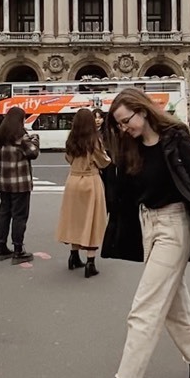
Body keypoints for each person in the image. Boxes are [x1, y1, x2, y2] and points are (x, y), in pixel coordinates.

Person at [76, 88, 190, 378]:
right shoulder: (129, 146)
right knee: (174, 305)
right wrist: (110, 134)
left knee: (145, 307)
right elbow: (124, 188)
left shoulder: (174, 137)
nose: (123, 129)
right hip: (149, 225)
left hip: (175, 225)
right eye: (117, 124)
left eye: (125, 121)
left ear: (142, 111)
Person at [55, 108, 111, 278]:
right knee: (92, 220)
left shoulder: (71, 139)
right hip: (90, 180)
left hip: (73, 180)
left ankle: (73, 256)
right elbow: (103, 161)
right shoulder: (94, 140)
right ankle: (90, 262)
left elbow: (68, 158)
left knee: (75, 219)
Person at [0, 106, 40, 264]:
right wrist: (35, 139)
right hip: (20, 183)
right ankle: (18, 250)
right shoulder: (21, 137)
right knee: (19, 215)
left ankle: (1, 248)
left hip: (4, 182)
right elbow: (33, 153)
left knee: (4, 213)